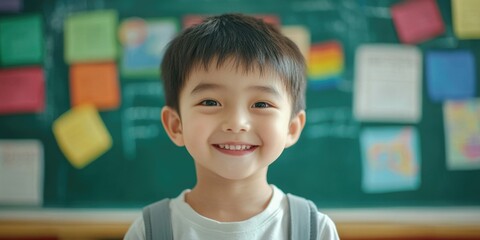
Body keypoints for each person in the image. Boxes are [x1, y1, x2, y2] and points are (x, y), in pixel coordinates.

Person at [124, 13, 339, 240]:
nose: (237, 123)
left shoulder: (314, 230)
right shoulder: (149, 231)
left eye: (261, 103)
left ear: (292, 128)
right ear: (176, 126)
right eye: (210, 102)